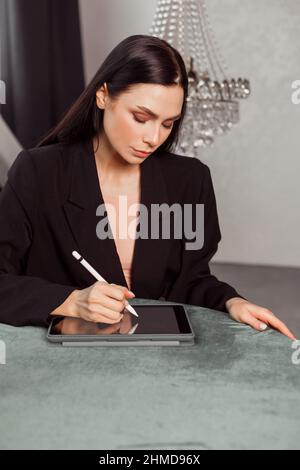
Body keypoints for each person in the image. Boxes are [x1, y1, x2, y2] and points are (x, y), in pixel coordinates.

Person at [0, 35, 295, 340]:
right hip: (62, 362)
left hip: (157, 357)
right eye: (141, 118)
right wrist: (71, 301)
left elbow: (190, 280)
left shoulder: (190, 181)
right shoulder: (39, 172)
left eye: (168, 124)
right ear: (103, 95)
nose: (154, 138)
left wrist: (231, 301)